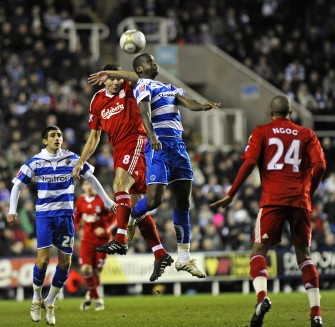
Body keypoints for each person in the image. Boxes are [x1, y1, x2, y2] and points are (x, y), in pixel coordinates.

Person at [88, 54, 221, 278]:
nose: (155, 63)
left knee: (183, 202)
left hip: (178, 147)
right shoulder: (141, 85)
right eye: (150, 61)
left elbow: (187, 102)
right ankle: (130, 219)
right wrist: (152, 136)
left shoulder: (168, 87)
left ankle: (183, 257)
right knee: (154, 200)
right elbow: (144, 111)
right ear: (141, 69)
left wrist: (202, 106)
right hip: (157, 146)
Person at [210, 95, 326, 327]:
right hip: (299, 201)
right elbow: (321, 165)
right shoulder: (306, 134)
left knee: (258, 251)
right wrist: (308, 193)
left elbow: (250, 162)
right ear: (291, 113)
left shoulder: (262, 131)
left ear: (270, 112)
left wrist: (232, 193)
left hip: (272, 200)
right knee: (304, 255)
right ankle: (316, 313)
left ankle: (262, 298)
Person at [7, 126, 116, 326]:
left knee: (65, 263)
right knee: (43, 260)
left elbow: (91, 177)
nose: (57, 138)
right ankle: (36, 297)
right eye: (52, 135)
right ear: (44, 141)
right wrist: (12, 210)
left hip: (66, 216)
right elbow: (17, 185)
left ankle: (50, 302)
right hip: (45, 217)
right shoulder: (35, 162)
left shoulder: (73, 158)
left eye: (59, 135)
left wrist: (107, 200)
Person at [73, 64, 173, 282]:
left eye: (117, 78)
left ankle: (120, 238)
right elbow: (94, 137)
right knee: (137, 208)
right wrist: (81, 161)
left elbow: (136, 77)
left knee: (119, 186)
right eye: (111, 79)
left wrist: (116, 74)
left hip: (136, 140)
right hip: (118, 148)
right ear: (104, 81)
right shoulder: (97, 101)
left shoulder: (128, 88)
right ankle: (160, 253)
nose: (116, 82)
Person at [74, 179, 116, 311]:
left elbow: (116, 216)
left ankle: (90, 295)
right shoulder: (80, 201)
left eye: (91, 184)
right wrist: (76, 230)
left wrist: (107, 229)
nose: (89, 187)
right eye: (86, 184)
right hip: (86, 240)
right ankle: (98, 299)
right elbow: (76, 219)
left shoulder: (103, 199)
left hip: (102, 240)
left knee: (96, 272)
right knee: (86, 269)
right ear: (83, 187)